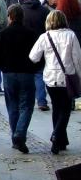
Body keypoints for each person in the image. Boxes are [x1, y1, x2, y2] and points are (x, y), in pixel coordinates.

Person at [29, 10, 81, 154]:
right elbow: (77, 58)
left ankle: (60, 142)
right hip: (67, 77)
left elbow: (33, 56)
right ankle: (57, 136)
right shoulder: (71, 35)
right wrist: (79, 76)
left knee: (57, 108)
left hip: (50, 77)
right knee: (65, 109)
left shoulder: (45, 37)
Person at [0, 5, 40, 153]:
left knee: (12, 106)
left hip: (9, 74)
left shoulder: (3, 34)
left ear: (10, 17)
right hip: (26, 73)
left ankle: (16, 136)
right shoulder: (31, 34)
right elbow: (38, 56)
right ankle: (19, 133)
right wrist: (35, 68)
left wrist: (2, 67)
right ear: (22, 17)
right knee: (26, 106)